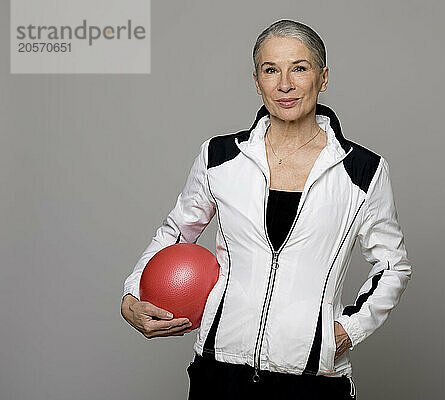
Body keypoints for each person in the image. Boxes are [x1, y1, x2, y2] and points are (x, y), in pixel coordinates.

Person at [121, 19, 412, 400]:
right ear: (257, 82)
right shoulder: (220, 157)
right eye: (270, 70)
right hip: (218, 373)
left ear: (323, 78)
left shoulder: (363, 171)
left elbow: (393, 265)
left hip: (311, 378)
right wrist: (132, 294)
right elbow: (175, 232)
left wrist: (346, 331)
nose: (285, 84)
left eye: (300, 68)